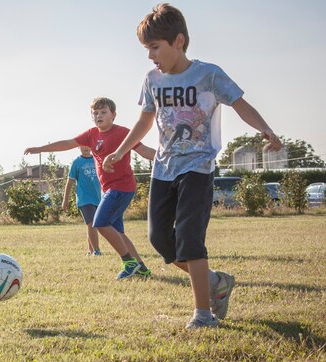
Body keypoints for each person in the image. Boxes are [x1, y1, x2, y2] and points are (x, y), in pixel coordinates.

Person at [102, 3, 282, 329]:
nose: (149, 55)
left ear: (179, 41)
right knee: (160, 240)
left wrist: (265, 129)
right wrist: (121, 149)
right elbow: (145, 122)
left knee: (189, 236)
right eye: (147, 48)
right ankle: (215, 282)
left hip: (198, 166)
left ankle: (203, 314)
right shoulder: (151, 80)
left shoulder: (208, 74)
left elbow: (240, 104)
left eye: (155, 47)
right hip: (163, 168)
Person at [25, 97, 156, 279]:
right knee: (118, 232)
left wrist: (172, 159)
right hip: (108, 189)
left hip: (122, 187)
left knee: (100, 223)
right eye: (95, 113)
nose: (99, 116)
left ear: (113, 115)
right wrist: (40, 148)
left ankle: (129, 262)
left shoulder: (123, 133)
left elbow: (145, 151)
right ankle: (141, 268)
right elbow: (68, 143)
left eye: (103, 112)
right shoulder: (91, 134)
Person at [62, 146, 102, 256]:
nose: (86, 147)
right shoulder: (77, 162)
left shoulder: (97, 159)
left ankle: (90, 250)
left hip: (98, 198)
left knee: (93, 224)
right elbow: (69, 182)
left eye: (88, 145)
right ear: (79, 147)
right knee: (91, 224)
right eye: (83, 145)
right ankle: (97, 251)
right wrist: (65, 200)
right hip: (84, 198)